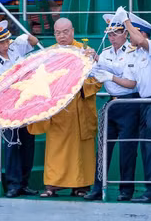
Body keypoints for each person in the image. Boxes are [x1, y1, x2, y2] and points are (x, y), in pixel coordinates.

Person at [27, 18, 102, 198]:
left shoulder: (84, 52)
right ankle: (52, 186)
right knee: (56, 149)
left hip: (79, 110)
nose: (62, 36)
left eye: (65, 32)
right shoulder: (49, 54)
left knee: (80, 150)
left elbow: (98, 77)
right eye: (58, 33)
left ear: (73, 31)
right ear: (54, 34)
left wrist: (80, 87)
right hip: (59, 112)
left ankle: (81, 186)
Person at [84, 14, 141, 202]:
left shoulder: (131, 52)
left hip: (128, 103)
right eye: (109, 34)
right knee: (103, 149)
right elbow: (96, 72)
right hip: (111, 103)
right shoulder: (107, 52)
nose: (112, 37)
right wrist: (89, 63)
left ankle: (126, 190)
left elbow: (126, 78)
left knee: (127, 149)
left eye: (116, 33)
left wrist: (101, 65)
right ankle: (98, 186)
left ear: (125, 33)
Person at [0, 20, 40, 198]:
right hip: (9, 109)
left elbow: (33, 40)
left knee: (28, 145)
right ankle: (13, 184)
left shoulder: (15, 47)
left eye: (7, 40)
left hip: (25, 105)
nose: (5, 44)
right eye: (1, 42)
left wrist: (22, 37)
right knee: (13, 145)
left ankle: (24, 183)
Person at [119, 9, 151, 204]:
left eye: (131, 32)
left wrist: (126, 21)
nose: (129, 36)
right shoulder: (136, 56)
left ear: (141, 33)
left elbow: (139, 41)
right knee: (146, 148)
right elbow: (130, 83)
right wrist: (106, 73)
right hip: (143, 103)